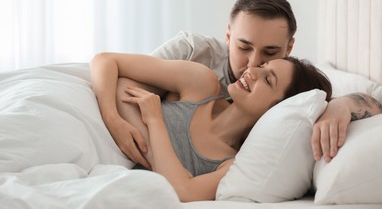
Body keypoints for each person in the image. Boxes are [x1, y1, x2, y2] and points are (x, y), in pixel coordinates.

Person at [116, 0, 382, 169]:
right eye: (244, 47)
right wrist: (116, 121)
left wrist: (340, 105)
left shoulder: (289, 86)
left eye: (270, 53)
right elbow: (124, 77)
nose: (253, 64)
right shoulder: (193, 53)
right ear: (229, 36)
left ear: (289, 48)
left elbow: (379, 103)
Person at [90, 51, 332, 201]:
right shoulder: (201, 84)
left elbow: (182, 191)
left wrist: (154, 122)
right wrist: (114, 120)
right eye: (262, 67)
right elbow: (107, 62)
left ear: (278, 109)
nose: (252, 71)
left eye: (268, 79)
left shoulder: (231, 165)